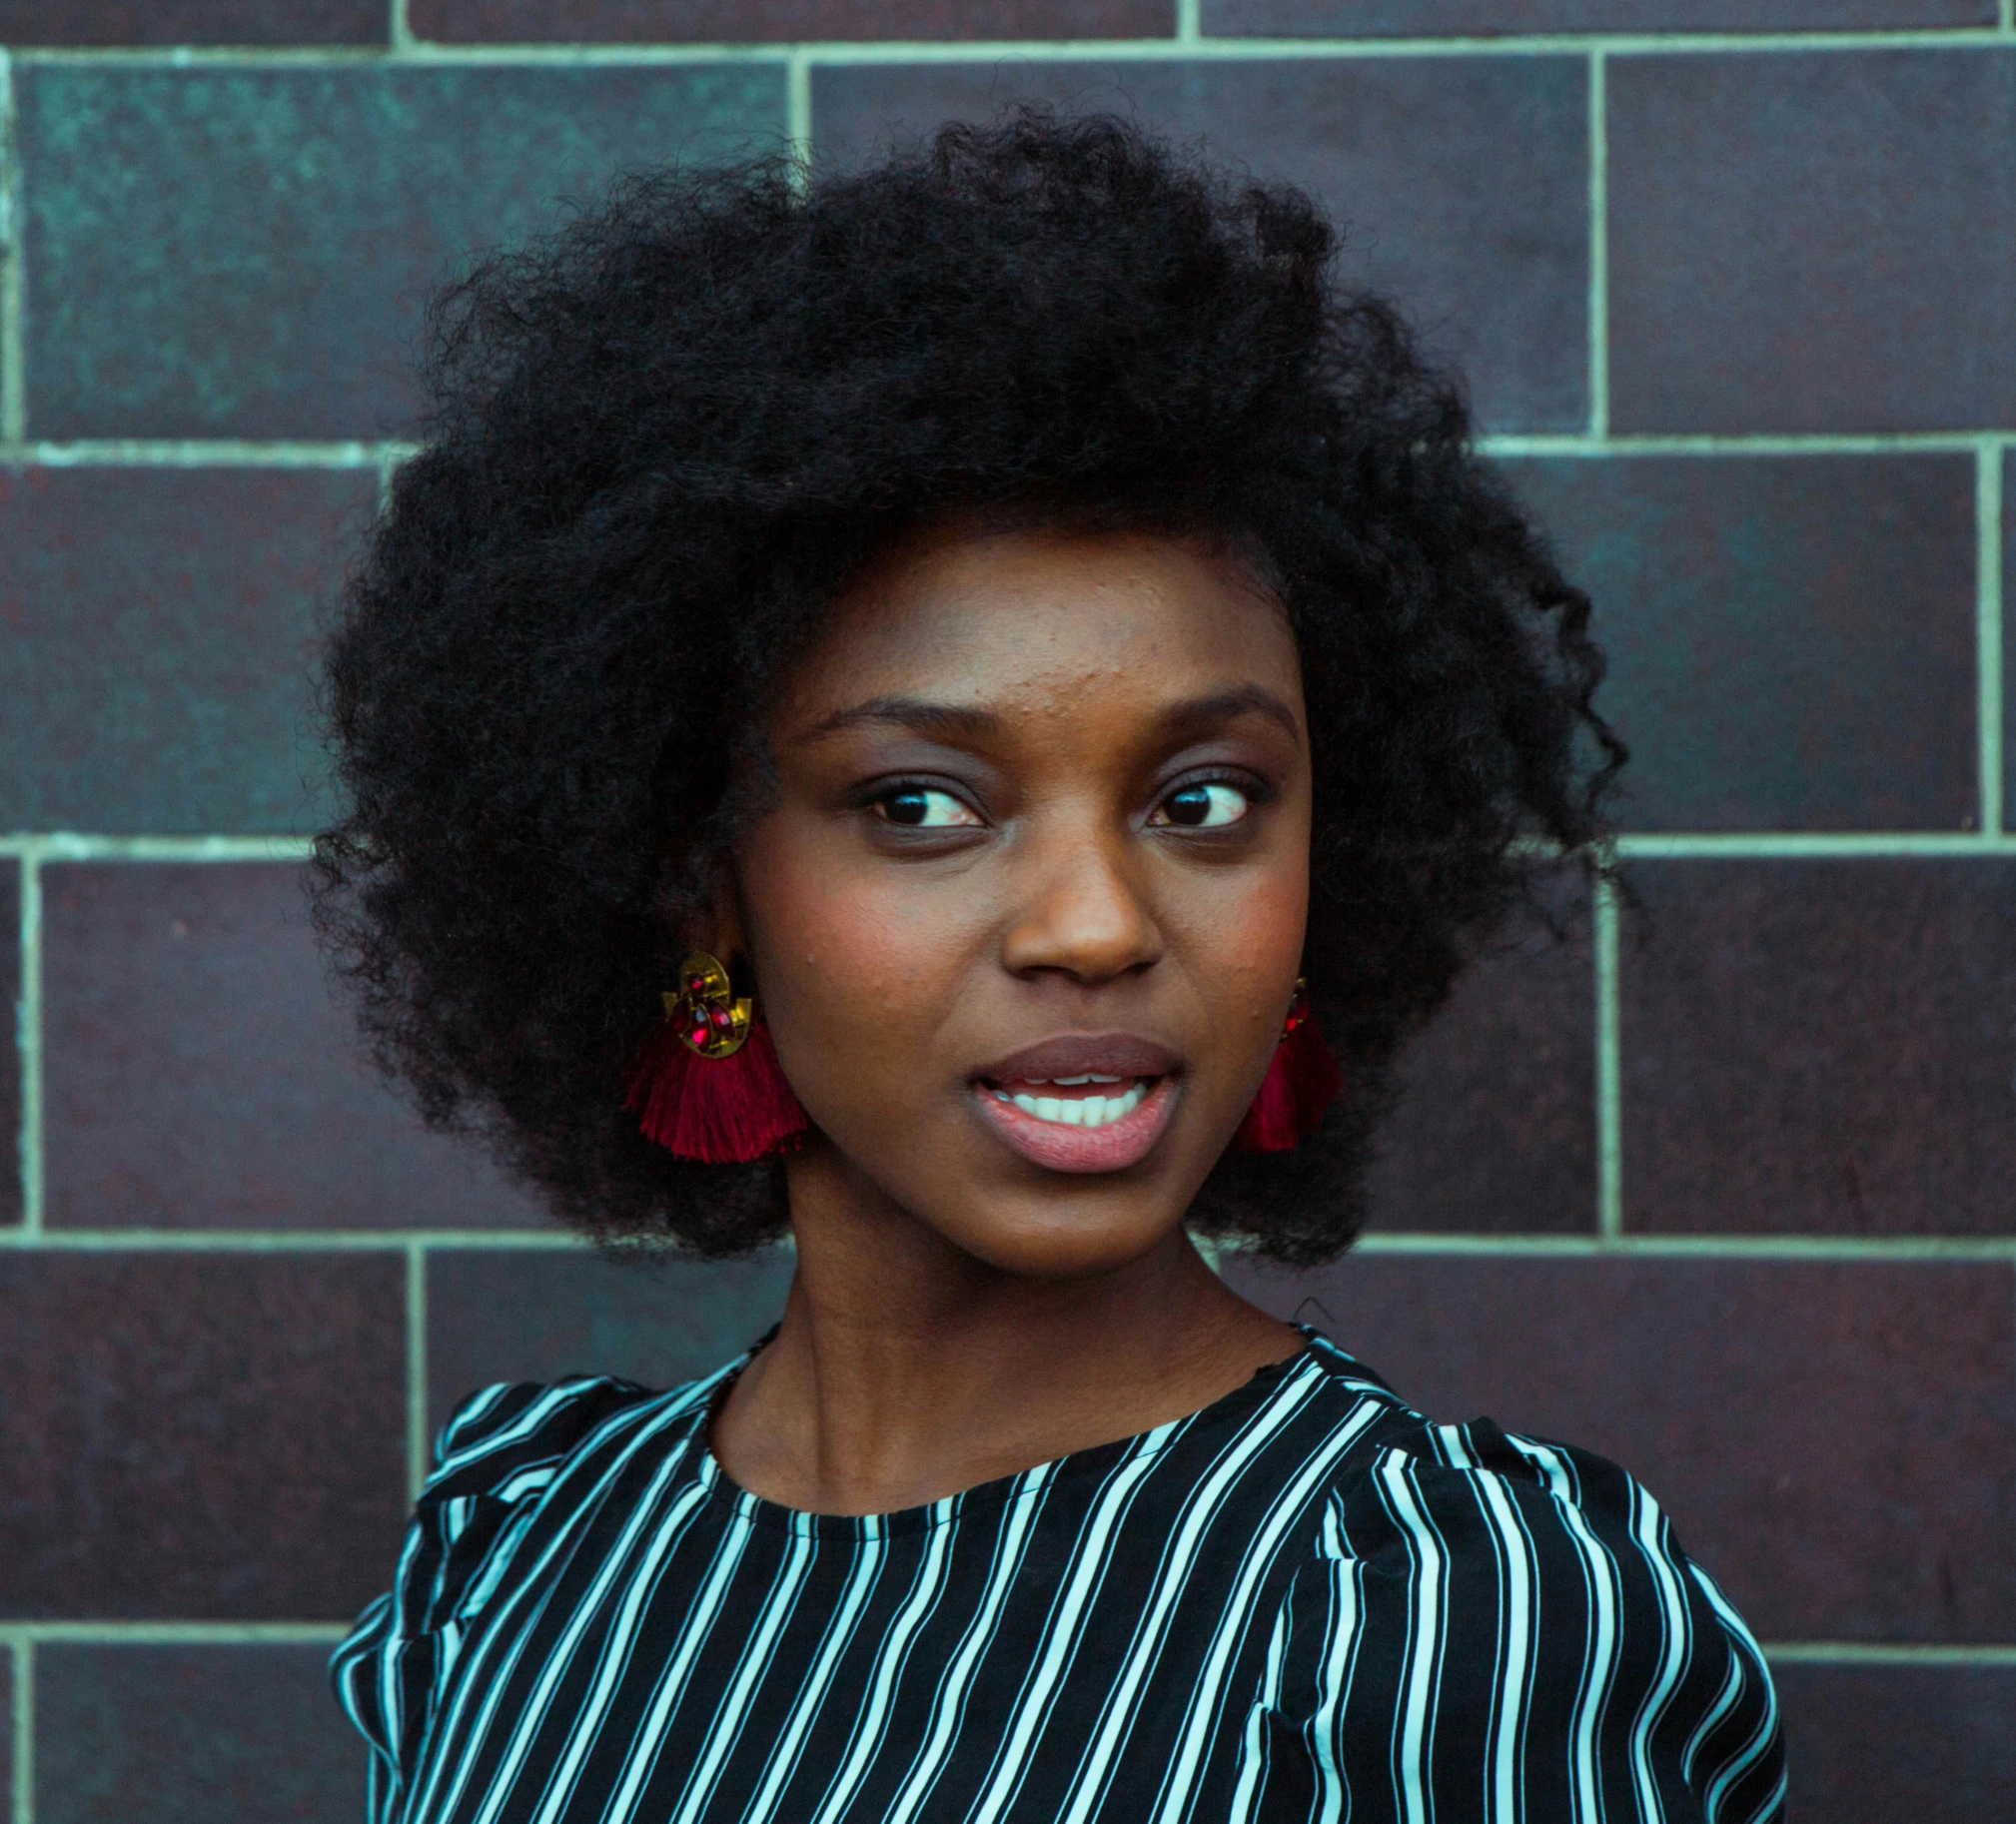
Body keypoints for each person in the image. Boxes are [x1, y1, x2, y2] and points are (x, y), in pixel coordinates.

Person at [318, 110, 1784, 1824]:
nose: (1096, 923)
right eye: (922, 801)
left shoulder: (1426, 1616)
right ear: (698, 881)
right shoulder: (522, 1545)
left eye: (1204, 797)